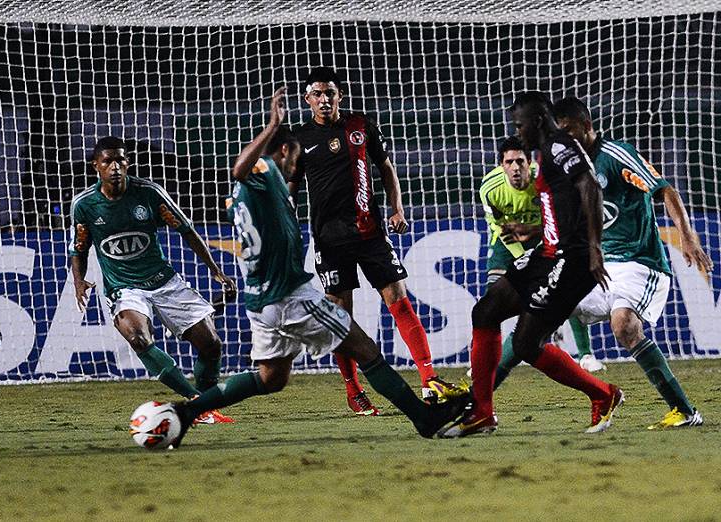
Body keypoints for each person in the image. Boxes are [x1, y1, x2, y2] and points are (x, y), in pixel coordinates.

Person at [169, 87, 470, 446]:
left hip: (260, 303)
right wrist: (271, 126)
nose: (299, 162)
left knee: (271, 379)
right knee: (367, 350)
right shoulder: (262, 177)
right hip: (290, 297)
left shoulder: (255, 191)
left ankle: (186, 412)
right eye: (295, 154)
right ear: (284, 150)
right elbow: (240, 168)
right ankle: (424, 417)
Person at [440, 92, 623, 438]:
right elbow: (563, 208)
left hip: (573, 259)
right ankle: (482, 412)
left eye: (519, 125)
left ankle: (604, 394)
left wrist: (595, 249)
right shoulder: (548, 151)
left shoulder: (557, 146)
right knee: (486, 312)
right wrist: (533, 232)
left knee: (527, 343)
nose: (517, 131)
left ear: (537, 122)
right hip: (547, 253)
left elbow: (590, 187)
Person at [289, 67, 466, 414]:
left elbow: (386, 168)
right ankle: (354, 390)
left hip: (370, 231)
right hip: (329, 239)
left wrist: (397, 209)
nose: (324, 99)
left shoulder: (361, 126)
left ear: (340, 96)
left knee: (398, 298)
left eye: (330, 93)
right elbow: (290, 189)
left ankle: (429, 379)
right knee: (340, 315)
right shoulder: (299, 140)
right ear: (307, 99)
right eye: (317, 94)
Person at [554, 96, 711, 429]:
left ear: (586, 125)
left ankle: (684, 410)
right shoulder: (569, 166)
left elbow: (665, 189)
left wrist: (686, 235)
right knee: (544, 303)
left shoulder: (615, 155)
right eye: (559, 133)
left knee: (623, 325)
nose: (565, 139)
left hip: (640, 262)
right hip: (602, 265)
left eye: (569, 131)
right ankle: (483, 401)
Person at [69, 136, 236, 423]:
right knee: (138, 337)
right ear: (96, 166)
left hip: (163, 281)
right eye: (107, 161)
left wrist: (214, 268)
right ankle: (194, 400)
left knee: (212, 345)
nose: (115, 166)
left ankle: (206, 404)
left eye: (120, 159)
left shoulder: (149, 193)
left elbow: (187, 230)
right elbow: (80, 248)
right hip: (124, 288)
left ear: (128, 163)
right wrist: (79, 281)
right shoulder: (85, 205)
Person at [480, 136, 604, 388]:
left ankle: (586, 354)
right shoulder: (490, 188)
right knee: (492, 298)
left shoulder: (546, 179)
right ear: (501, 165)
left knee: (564, 288)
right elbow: (503, 230)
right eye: (509, 162)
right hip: (508, 243)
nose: (515, 167)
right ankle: (484, 362)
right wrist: (523, 263)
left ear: (529, 163)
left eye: (520, 161)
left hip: (545, 237)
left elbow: (560, 220)